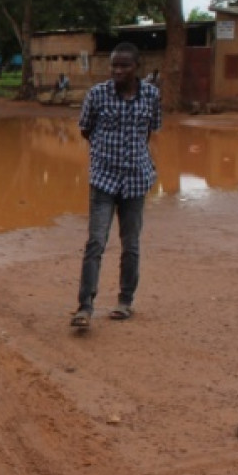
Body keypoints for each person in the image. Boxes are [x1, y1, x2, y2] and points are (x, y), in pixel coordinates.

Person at [71, 42, 162, 328]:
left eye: (124, 65)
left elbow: (151, 130)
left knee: (131, 244)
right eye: (114, 65)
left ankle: (125, 301)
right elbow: (85, 129)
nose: (118, 70)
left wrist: (132, 155)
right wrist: (105, 153)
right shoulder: (97, 95)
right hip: (103, 179)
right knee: (96, 242)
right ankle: (85, 307)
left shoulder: (151, 95)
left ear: (137, 67)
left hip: (136, 179)